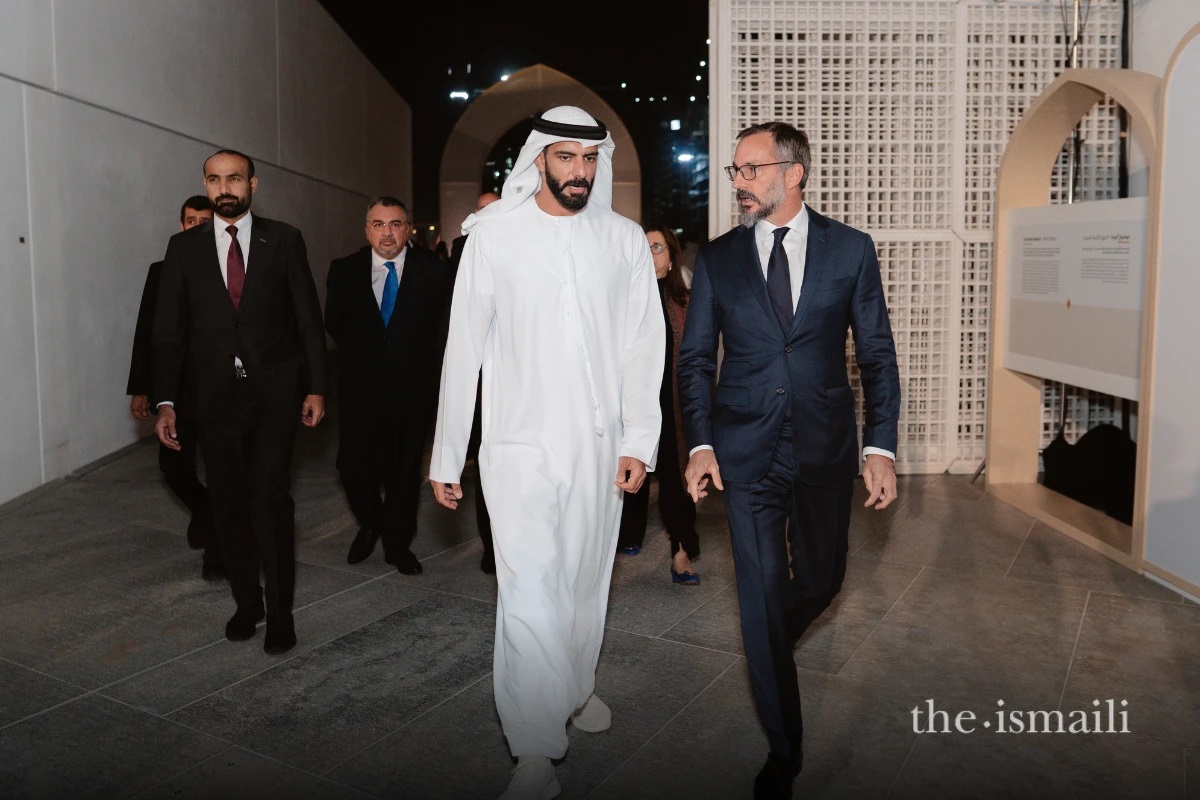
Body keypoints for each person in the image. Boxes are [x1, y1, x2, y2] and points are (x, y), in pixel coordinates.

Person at [429, 106, 665, 800]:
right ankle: (534, 748)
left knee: (585, 585)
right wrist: (448, 454)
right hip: (517, 445)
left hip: (598, 449)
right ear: (540, 161)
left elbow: (643, 346)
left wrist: (639, 442)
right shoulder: (495, 236)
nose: (580, 173)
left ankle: (575, 688)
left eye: (590, 161)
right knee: (528, 588)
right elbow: (463, 349)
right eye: (566, 159)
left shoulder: (623, 242)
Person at [678, 121, 901, 800]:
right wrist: (700, 442)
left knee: (823, 577)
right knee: (760, 590)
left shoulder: (851, 250)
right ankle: (785, 749)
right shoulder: (719, 261)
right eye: (736, 172)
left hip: (825, 448)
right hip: (744, 454)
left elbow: (877, 355)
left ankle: (771, 639)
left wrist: (880, 445)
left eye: (751, 169)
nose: (740, 183)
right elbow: (693, 362)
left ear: (793, 172)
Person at [152, 149, 328, 655]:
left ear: (254, 183)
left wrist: (316, 386)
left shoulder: (285, 240)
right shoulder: (182, 249)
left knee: (269, 502)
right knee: (227, 503)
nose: (224, 188)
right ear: (205, 185)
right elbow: (168, 333)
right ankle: (247, 602)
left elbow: (307, 322)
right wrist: (166, 400)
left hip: (273, 395)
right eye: (214, 179)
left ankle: (280, 615)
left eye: (233, 178)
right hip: (213, 399)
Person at [324, 197, 453, 575]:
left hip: (413, 392)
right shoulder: (344, 269)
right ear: (367, 230)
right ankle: (369, 523)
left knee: (403, 472)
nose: (387, 232)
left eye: (395, 224)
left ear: (407, 228)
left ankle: (398, 545)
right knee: (352, 466)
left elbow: (442, 328)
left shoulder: (434, 270)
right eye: (378, 224)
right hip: (359, 390)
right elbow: (335, 324)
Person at [127, 195, 222, 579]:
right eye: (190, 219)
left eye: (205, 219)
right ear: (181, 224)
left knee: (223, 471)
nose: (197, 225)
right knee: (174, 468)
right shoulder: (160, 270)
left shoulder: (233, 267)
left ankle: (218, 550)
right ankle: (206, 513)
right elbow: (147, 332)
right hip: (175, 394)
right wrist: (141, 387)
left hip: (219, 391)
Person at [615, 224, 701, 585]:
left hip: (673, 405)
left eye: (657, 248)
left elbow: (700, 359)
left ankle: (680, 551)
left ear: (671, 258)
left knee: (674, 479)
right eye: (644, 247)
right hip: (632, 404)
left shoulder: (685, 303)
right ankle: (629, 534)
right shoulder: (622, 302)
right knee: (631, 473)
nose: (650, 254)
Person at [448, 190, 500, 574]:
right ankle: (490, 543)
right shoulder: (462, 250)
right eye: (479, 209)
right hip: (480, 378)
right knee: (487, 463)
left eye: (492, 209)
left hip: (519, 378)